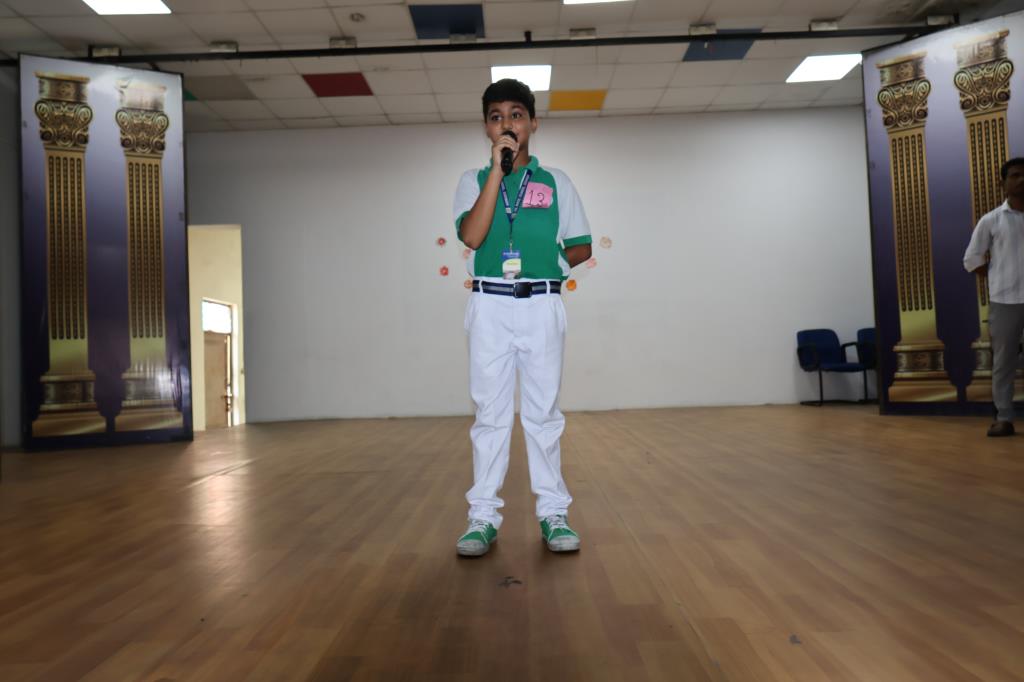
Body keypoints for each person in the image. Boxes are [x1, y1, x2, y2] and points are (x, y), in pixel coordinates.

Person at [451, 79, 592, 556]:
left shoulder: (557, 182)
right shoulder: (472, 180)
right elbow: (473, 236)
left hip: (541, 305)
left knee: (542, 413)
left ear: (533, 122)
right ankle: (482, 517)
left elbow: (580, 244)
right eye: (496, 117)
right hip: (489, 304)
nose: (506, 124)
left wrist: (549, 265)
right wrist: (497, 171)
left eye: (516, 114)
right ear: (487, 129)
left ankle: (553, 512)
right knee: (489, 415)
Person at [964, 157, 1024, 437]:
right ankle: (1004, 418)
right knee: (1003, 362)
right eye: (1015, 175)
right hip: (1005, 301)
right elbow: (972, 258)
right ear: (1003, 183)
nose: (1021, 180)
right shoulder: (991, 220)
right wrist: (997, 276)